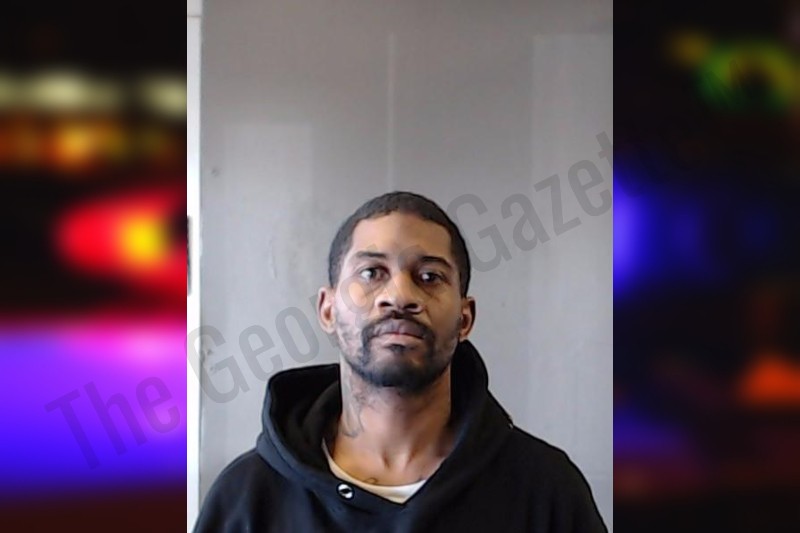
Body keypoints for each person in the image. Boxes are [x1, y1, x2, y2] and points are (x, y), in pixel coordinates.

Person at [194, 191, 607, 532]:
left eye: (429, 277)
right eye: (371, 272)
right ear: (328, 310)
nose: (400, 296)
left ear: (465, 318)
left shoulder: (545, 491)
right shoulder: (247, 497)